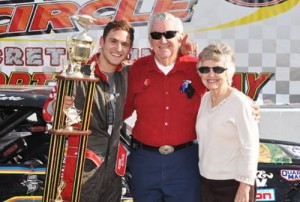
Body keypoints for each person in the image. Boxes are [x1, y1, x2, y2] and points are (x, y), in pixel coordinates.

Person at [43, 20, 135, 202]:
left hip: (113, 173)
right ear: (102, 42)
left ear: (129, 48)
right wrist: (59, 105)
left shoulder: (127, 74)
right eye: (113, 41)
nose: (118, 48)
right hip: (82, 171)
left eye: (124, 44)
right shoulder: (78, 73)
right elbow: (47, 112)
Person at [123, 12, 207, 202]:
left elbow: (222, 94)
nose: (163, 40)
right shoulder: (136, 69)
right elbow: (121, 110)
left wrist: (249, 107)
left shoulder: (198, 69)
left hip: (185, 163)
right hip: (145, 163)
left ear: (180, 37)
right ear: (150, 40)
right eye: (156, 35)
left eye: (169, 34)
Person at [195, 42, 259, 202]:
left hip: (234, 184)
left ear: (229, 72)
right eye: (205, 69)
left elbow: (250, 147)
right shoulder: (204, 99)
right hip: (206, 182)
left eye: (218, 69)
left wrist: (245, 187)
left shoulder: (241, 103)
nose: (211, 74)